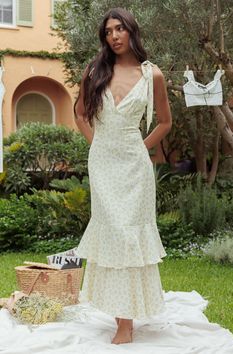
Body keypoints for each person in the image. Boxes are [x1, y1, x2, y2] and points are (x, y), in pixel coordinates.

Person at [74, 7, 172, 345]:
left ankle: (125, 322)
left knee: (130, 238)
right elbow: (81, 115)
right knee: (113, 234)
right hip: (102, 166)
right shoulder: (94, 71)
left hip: (135, 168)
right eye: (108, 31)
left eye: (120, 29)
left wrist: (141, 147)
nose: (114, 36)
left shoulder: (152, 75)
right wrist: (98, 147)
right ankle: (119, 315)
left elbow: (165, 122)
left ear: (132, 31)